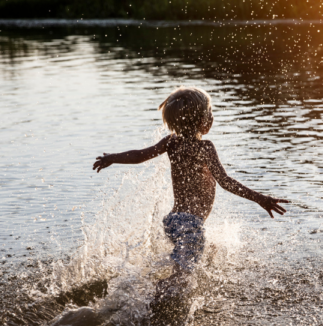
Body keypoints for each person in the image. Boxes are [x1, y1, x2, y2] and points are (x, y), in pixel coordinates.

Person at [92, 86, 288, 281]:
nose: (212, 116)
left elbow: (140, 155)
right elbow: (226, 182)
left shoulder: (171, 142)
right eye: (210, 112)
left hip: (173, 221)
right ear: (204, 121)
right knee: (183, 279)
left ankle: (154, 294)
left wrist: (113, 158)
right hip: (191, 224)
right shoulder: (205, 147)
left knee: (196, 262)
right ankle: (150, 302)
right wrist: (260, 198)